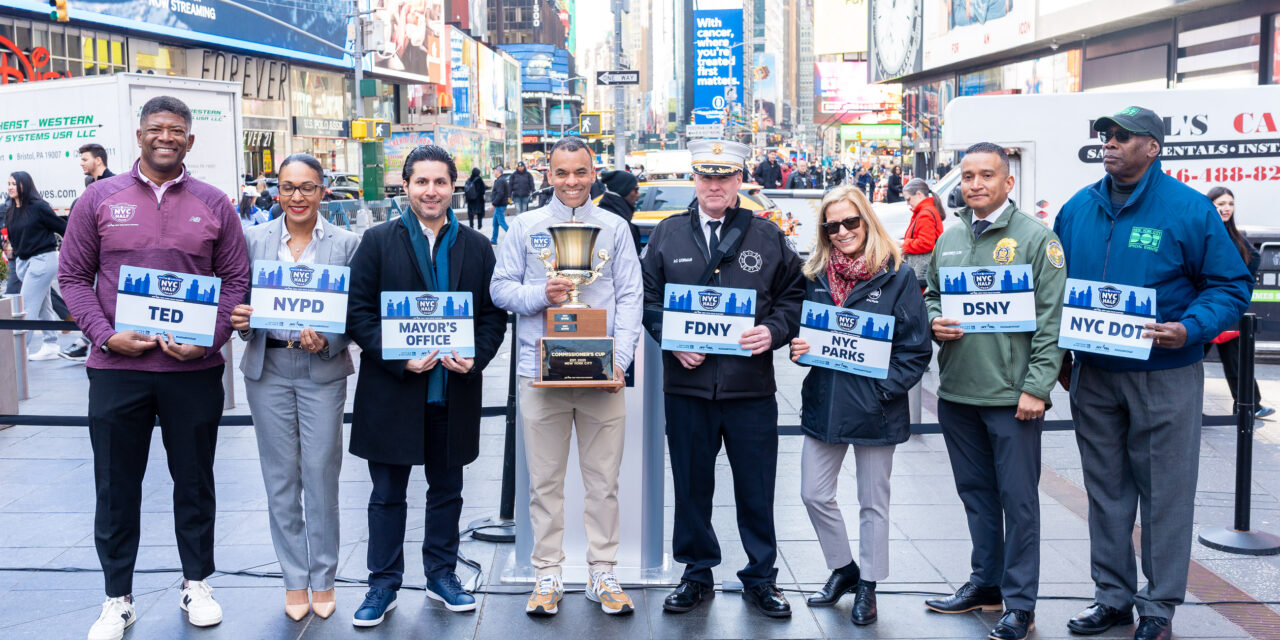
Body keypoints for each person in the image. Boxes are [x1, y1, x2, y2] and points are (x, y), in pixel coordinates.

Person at [1054, 107, 1252, 640]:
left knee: (1165, 493)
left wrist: (1189, 329)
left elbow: (1231, 288)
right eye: (1104, 135)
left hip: (1164, 374)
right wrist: (1063, 358)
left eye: (1122, 136)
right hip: (1094, 377)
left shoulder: (1188, 210)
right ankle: (1112, 598)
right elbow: (1056, 291)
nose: (1109, 143)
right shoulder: (1076, 209)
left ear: (1153, 148)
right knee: (1106, 492)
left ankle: (1159, 605)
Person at [59, 95, 250, 640]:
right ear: (139, 135)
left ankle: (197, 583)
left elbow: (235, 281)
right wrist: (105, 334)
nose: (166, 137)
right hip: (117, 370)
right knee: (116, 486)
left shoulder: (215, 203)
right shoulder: (99, 198)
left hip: (192, 372)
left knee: (194, 482)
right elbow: (73, 277)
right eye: (156, 129)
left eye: (177, 131)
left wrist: (210, 340)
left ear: (190, 141)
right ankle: (117, 597)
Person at [640, 139, 805, 618]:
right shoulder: (668, 235)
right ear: (694, 180)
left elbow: (794, 297)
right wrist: (672, 337)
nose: (714, 185)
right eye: (705, 177)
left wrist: (773, 331)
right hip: (687, 389)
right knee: (691, 485)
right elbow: (647, 301)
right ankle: (696, 574)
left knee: (756, 486)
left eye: (724, 177)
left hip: (749, 388)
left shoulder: (767, 236)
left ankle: (761, 576)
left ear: (739, 181)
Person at [344, 145, 507, 627]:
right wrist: (400, 356)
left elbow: (494, 315)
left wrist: (475, 356)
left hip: (452, 391)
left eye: (440, 182)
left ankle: (441, 574)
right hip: (394, 391)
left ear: (453, 185)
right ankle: (382, 583)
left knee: (447, 491)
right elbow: (358, 313)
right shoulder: (376, 241)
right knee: (387, 494)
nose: (431, 191)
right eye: (422, 182)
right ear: (407, 186)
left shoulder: (477, 246)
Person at [490, 136, 643, 617]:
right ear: (547, 174)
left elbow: (630, 297)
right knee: (544, 483)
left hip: (602, 375)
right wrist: (542, 294)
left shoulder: (615, 228)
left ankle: (603, 572)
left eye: (580, 172)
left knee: (603, 481)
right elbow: (500, 289)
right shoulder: (524, 226)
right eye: (561, 173)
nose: (571, 182)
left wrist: (618, 362)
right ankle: (548, 575)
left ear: (593, 172)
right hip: (540, 373)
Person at [922, 142, 1066, 640]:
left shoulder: (1036, 240)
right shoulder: (951, 236)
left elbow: (1052, 323)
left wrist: (1037, 388)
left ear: (1008, 183)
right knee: (977, 496)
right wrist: (933, 318)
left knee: (1019, 502)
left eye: (986, 175)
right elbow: (932, 294)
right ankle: (986, 584)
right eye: (967, 176)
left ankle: (1020, 603)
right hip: (958, 392)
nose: (975, 184)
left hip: (1013, 399)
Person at [790, 185, 930, 626]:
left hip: (876, 408)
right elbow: (807, 336)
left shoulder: (897, 275)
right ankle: (843, 568)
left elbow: (916, 351)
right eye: (832, 226)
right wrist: (800, 347)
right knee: (814, 493)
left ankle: (868, 583)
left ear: (867, 220)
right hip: (825, 402)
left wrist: (881, 391)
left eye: (850, 221)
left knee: (874, 503)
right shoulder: (813, 274)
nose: (842, 231)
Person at [229, 154, 360, 621]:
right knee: (280, 478)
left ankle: (323, 577)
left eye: (307, 187)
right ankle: (293, 579)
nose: (297, 197)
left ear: (323, 191)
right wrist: (241, 321)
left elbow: (356, 311)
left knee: (321, 475)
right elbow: (240, 301)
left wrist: (331, 337)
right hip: (268, 369)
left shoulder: (347, 243)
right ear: (276, 192)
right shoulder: (253, 239)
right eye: (288, 187)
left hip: (321, 370)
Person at [1205, 186, 1273, 419]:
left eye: (1230, 204)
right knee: (1187, 362)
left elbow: (1252, 260)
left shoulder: (1235, 236)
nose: (1226, 208)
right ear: (1210, 205)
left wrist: (1240, 293)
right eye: (1220, 203)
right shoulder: (1203, 231)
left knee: (1237, 361)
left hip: (1228, 311)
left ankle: (1250, 404)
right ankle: (1186, 408)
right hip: (1203, 309)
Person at [60, 144, 118, 361]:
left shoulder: (114, 186)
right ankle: (86, 341)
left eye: (85, 159)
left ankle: (85, 342)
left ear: (99, 160)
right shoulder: (91, 189)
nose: (82, 163)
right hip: (90, 255)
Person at [3, 171, 66, 360]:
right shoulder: (12, 209)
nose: (10, 187)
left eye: (14, 183)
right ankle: (51, 343)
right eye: (9, 184)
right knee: (43, 304)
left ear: (25, 185)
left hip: (43, 260)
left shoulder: (39, 207)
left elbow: (63, 228)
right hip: (23, 262)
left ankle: (19, 353)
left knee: (27, 306)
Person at [901, 178, 946, 283]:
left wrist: (903, 244)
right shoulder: (927, 211)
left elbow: (925, 243)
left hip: (923, 273)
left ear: (919, 194)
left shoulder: (925, 214)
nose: (908, 203)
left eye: (908, 199)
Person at [595, 168, 642, 254]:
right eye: (636, 189)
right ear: (624, 190)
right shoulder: (621, 225)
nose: (638, 195)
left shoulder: (602, 215)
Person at [489, 165, 511, 244]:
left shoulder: (500, 181)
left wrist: (494, 204)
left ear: (498, 171)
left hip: (499, 205)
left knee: (501, 222)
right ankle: (493, 240)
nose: (493, 172)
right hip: (499, 205)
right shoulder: (500, 180)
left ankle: (513, 236)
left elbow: (500, 194)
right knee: (495, 223)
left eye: (494, 170)